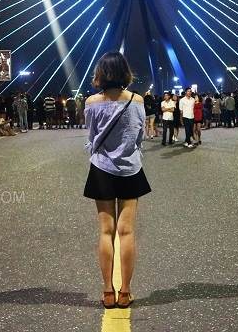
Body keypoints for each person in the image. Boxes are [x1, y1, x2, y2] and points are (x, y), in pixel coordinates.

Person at [83, 52, 150, 309]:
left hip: (101, 170)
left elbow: (91, 136)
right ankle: (126, 292)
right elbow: (139, 135)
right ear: (125, 72)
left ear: (101, 73)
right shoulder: (137, 100)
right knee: (127, 231)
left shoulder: (91, 102)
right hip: (130, 169)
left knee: (106, 231)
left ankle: (107, 291)